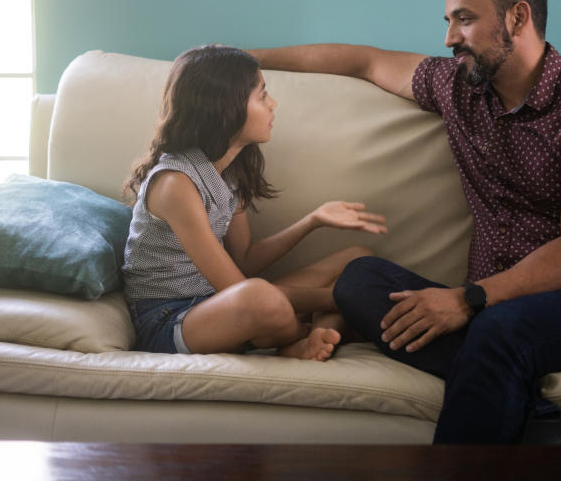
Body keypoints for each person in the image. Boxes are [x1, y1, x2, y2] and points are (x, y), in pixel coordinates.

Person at [248, 0, 561, 443]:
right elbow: (364, 62)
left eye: (464, 19)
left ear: (517, 17)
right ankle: (540, 425)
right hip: (490, 308)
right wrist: (240, 59)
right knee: (358, 281)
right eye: (448, 21)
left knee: (497, 330)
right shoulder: (456, 87)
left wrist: (468, 299)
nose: (448, 38)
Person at [121, 44, 387, 361]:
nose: (273, 105)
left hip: (217, 303)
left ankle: (312, 334)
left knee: (358, 260)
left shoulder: (229, 171)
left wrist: (313, 220)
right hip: (170, 320)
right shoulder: (175, 184)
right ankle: (303, 334)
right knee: (260, 298)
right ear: (225, 110)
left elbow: (245, 258)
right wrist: (337, 298)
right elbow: (236, 288)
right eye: (261, 95)